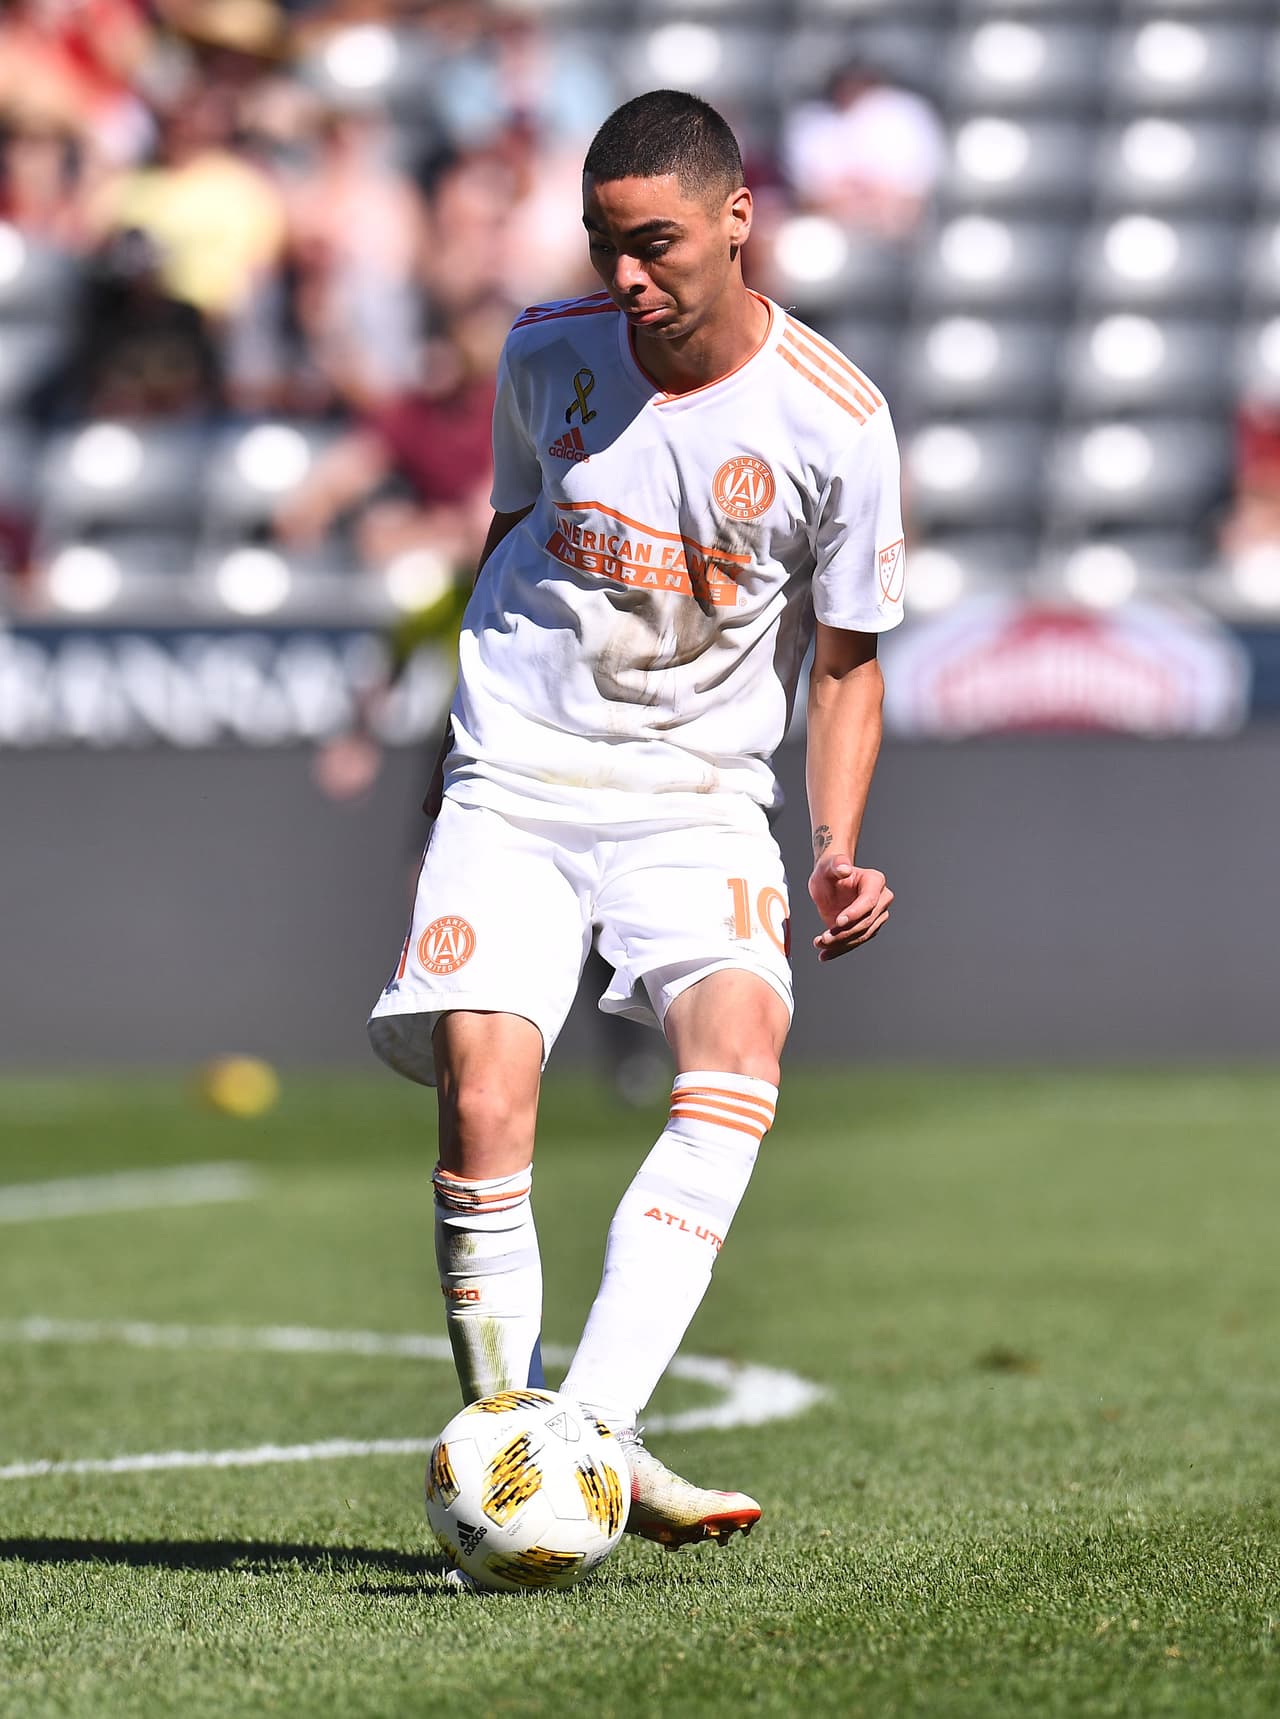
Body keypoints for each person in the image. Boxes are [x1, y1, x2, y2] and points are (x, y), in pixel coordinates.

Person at [367, 89, 903, 1563]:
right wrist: (449, 766)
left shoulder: (835, 424)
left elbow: (850, 663)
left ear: (740, 220)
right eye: (605, 244)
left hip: (696, 792)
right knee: (485, 1095)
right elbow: (509, 532)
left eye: (654, 243)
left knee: (738, 1052)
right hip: (524, 770)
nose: (627, 279)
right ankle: (519, 1443)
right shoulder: (548, 356)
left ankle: (589, 1431)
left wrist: (836, 841)